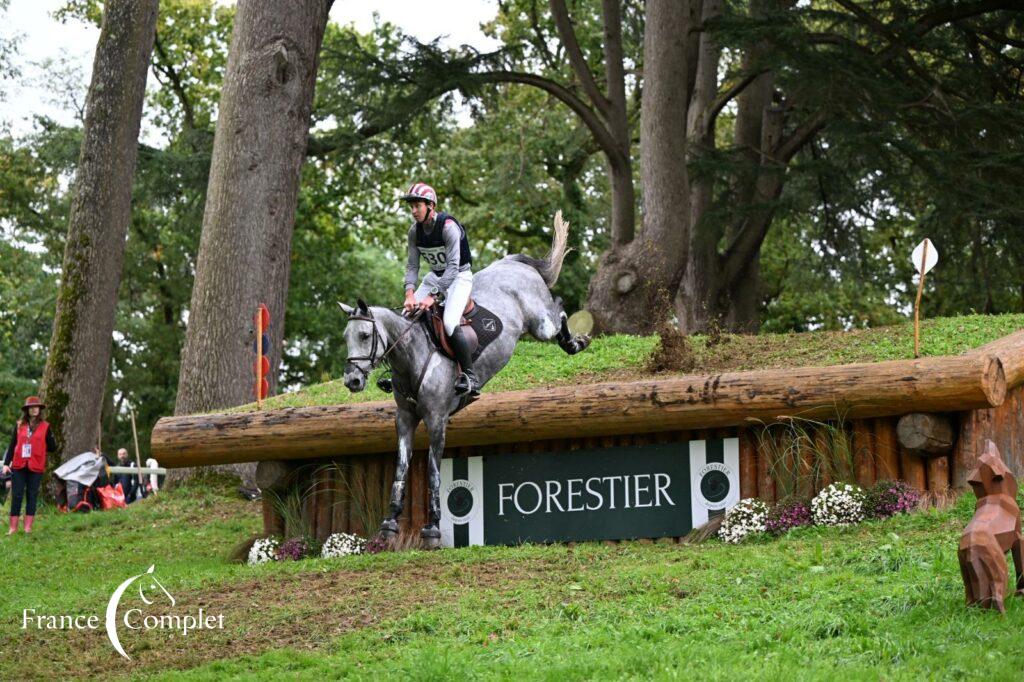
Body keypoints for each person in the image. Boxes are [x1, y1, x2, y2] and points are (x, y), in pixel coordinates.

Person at [400, 182, 478, 395]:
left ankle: (470, 376)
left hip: (460, 277)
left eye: (417, 206)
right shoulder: (414, 232)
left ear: (430, 206)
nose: (413, 211)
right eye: (411, 207)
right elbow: (413, 265)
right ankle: (399, 374)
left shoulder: (448, 227)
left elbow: (453, 268)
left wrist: (433, 296)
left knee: (450, 322)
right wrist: (409, 293)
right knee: (404, 315)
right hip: (435, 276)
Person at [2, 396, 57, 534]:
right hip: (19, 465)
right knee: (17, 494)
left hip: (36, 466)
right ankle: (13, 528)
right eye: (31, 407)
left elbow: (52, 447)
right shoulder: (20, 424)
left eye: (36, 407)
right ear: (27, 410)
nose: (34, 409)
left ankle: (27, 527)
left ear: (39, 409)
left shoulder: (46, 426)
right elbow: (12, 444)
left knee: (32, 495)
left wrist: (47, 439)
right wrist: (6, 464)